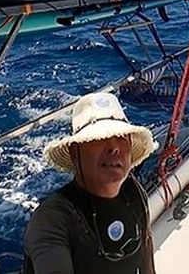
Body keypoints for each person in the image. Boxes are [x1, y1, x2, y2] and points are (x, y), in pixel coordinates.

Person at [23, 92, 158, 274]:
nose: (113, 147)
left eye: (120, 137)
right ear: (74, 152)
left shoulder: (134, 191)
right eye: (98, 138)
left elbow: (146, 253)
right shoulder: (52, 219)